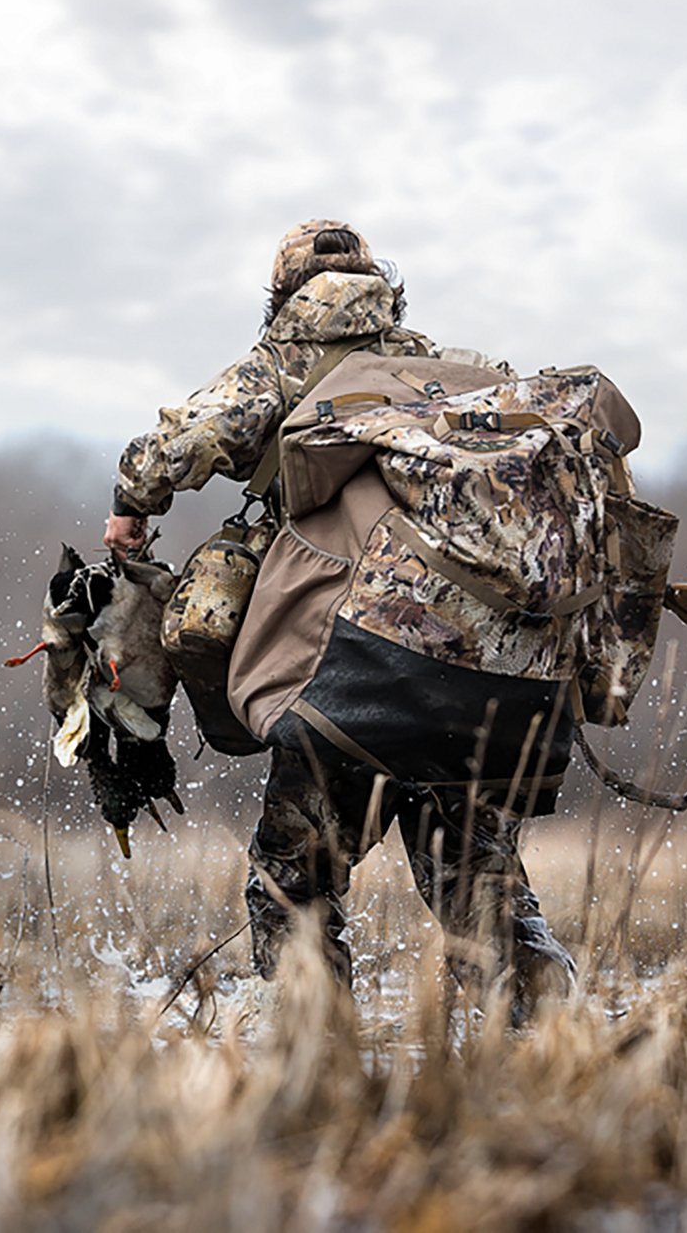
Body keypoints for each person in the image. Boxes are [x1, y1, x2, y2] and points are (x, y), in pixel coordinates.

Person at [104, 220, 575, 1021]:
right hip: (474, 673)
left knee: (295, 878)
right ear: (382, 288)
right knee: (478, 876)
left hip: (351, 668)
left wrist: (128, 510)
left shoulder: (281, 363)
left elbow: (176, 445)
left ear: (280, 296)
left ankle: (317, 1062)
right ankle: (555, 1048)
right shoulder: (450, 372)